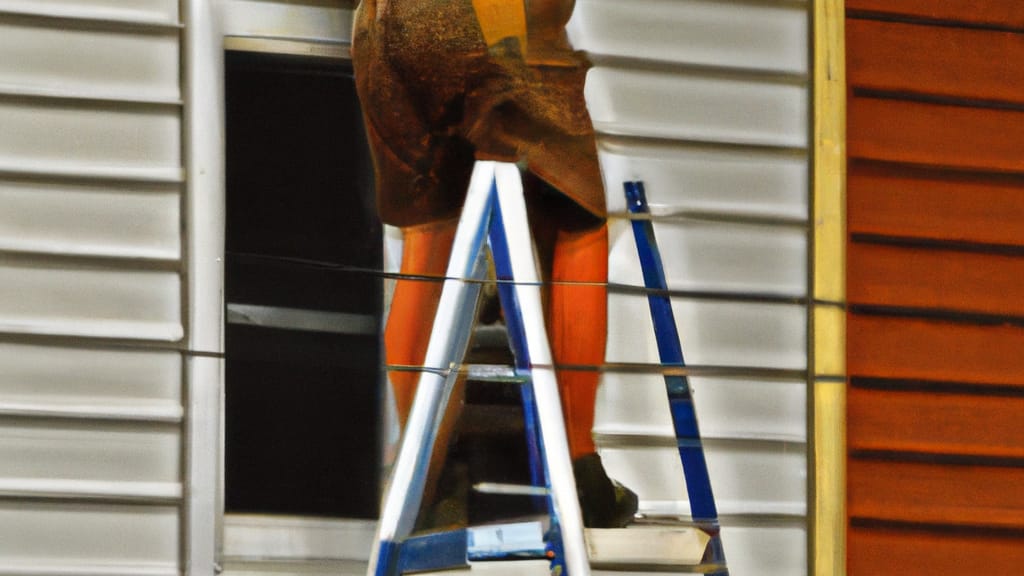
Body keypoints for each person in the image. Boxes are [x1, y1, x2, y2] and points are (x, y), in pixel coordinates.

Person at [352, 0, 635, 528]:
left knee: (428, 246)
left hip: (383, 28)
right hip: (494, 16)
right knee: (579, 222)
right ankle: (578, 471)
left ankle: (426, 483)